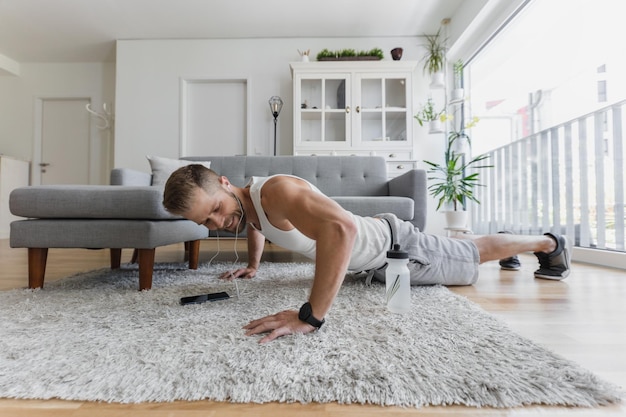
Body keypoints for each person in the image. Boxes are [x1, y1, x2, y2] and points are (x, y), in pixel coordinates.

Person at [163, 165, 571, 344]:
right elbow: (254, 224)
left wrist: (311, 316)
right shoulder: (249, 202)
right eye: (206, 223)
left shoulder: (276, 192)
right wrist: (253, 266)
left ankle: (549, 244)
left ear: (223, 181)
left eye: (215, 209)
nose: (216, 223)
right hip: (372, 259)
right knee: (466, 250)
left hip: (396, 249)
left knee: (469, 256)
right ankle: (508, 242)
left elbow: (342, 229)